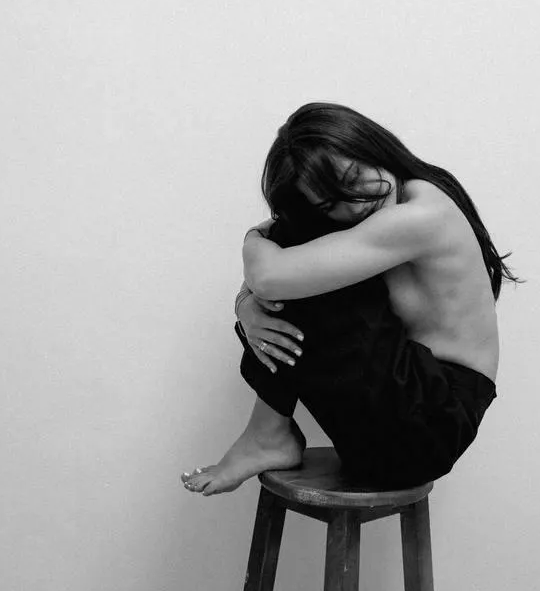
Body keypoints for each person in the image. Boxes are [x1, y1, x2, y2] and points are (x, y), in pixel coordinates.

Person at [181, 102, 517, 496]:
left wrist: (252, 243)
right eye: (331, 203)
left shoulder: (422, 213)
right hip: (403, 416)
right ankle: (268, 432)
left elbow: (270, 276)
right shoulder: (386, 210)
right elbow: (274, 271)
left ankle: (268, 433)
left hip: (430, 423)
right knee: (300, 236)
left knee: (295, 247)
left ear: (370, 144)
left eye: (355, 176)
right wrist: (247, 304)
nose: (356, 203)